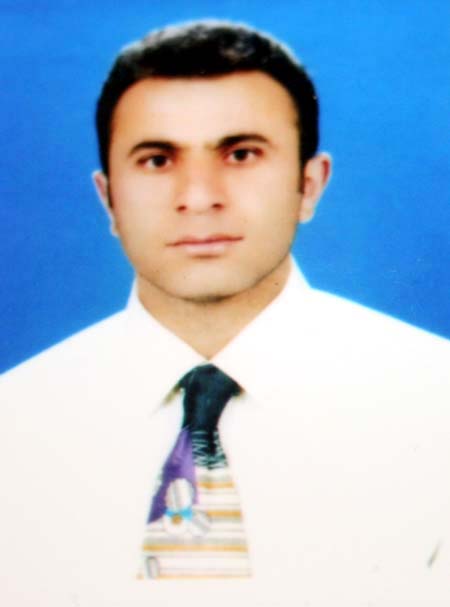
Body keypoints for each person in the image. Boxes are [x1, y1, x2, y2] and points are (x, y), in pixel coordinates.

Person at [1, 19, 450, 607]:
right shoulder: (15, 429)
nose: (198, 196)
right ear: (108, 198)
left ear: (309, 185)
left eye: (241, 154)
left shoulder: (435, 407)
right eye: (157, 160)